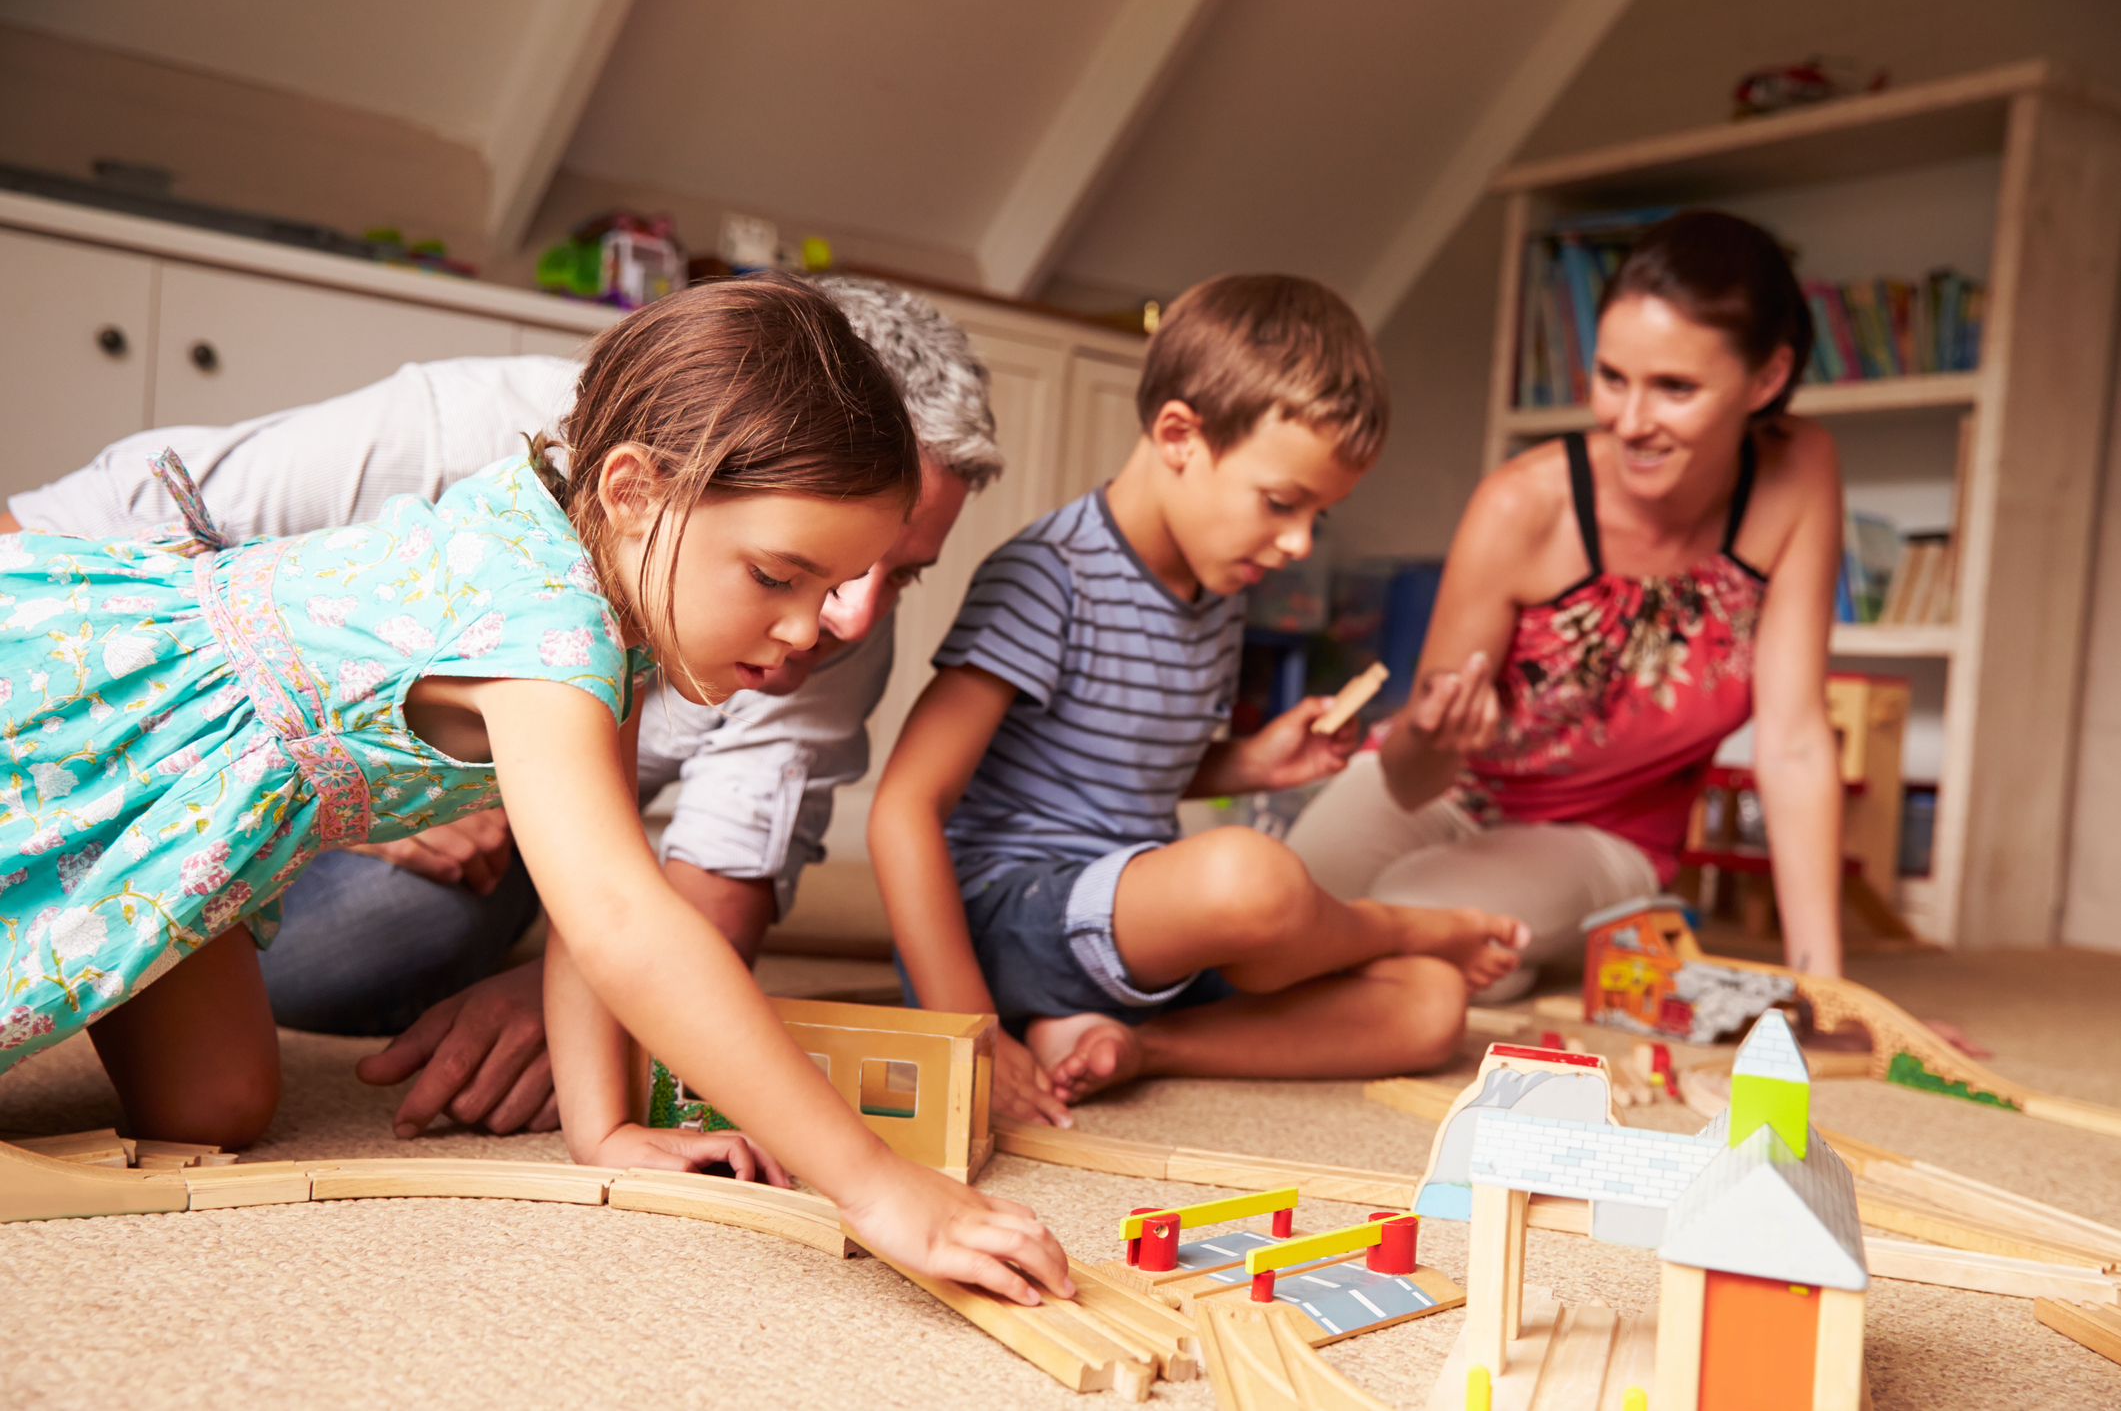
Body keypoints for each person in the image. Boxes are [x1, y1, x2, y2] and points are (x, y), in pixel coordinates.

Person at [0, 274, 1072, 1306]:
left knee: (214, 1105)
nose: (808, 632)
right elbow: (621, 922)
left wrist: (601, 1133)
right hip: (88, 716)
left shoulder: (606, 580)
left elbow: (588, 898)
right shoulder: (549, 624)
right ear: (635, 490)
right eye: (776, 576)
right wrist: (881, 1188)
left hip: (203, 801)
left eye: (832, 588)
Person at [868, 274, 1530, 1124]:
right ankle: (1401, 922)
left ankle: (1132, 1043)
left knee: (1429, 1007)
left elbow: (1115, 771)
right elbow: (903, 806)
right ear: (1178, 435)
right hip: (1013, 917)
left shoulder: (1216, 594)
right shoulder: (1048, 575)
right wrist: (971, 1034)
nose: (1295, 543)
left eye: (1316, 518)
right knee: (1250, 877)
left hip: (1129, 934)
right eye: (1281, 504)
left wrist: (1251, 763)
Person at [1285, 209, 1846, 989]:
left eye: (1674, 388)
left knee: (1414, 931)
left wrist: (1824, 989)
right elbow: (1413, 778)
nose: (1630, 421)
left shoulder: (1797, 473)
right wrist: (1433, 731)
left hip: (1600, 833)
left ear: (1767, 378)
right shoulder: (1521, 505)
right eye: (1612, 379)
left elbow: (1793, 741)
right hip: (1446, 791)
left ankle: (1579, 929)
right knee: (1280, 914)